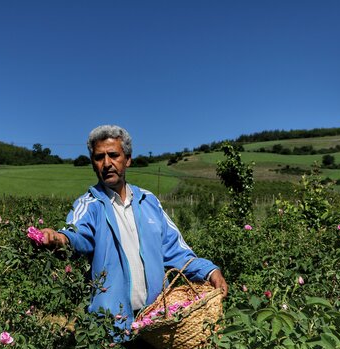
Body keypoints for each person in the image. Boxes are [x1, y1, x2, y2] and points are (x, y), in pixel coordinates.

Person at [40, 125, 228, 338]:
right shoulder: (89, 205)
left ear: (127, 159)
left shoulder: (148, 202)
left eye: (113, 155)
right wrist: (59, 238)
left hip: (158, 323)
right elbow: (76, 234)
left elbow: (176, 250)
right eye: (99, 157)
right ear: (92, 163)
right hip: (111, 329)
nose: (107, 163)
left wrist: (210, 271)